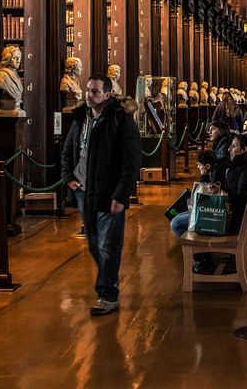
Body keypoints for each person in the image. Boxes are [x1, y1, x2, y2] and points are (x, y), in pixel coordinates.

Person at [61, 75, 142, 317]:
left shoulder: (120, 121)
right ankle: (109, 281)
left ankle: (107, 295)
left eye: (94, 91)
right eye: (87, 90)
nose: (88, 95)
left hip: (110, 193)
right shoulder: (80, 119)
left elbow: (132, 161)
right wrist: (69, 178)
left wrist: (121, 194)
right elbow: (67, 151)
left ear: (107, 95)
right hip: (84, 192)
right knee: (94, 244)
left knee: (109, 246)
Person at [223, 133, 247, 232]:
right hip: (229, 211)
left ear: (244, 150)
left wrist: (221, 190)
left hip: (235, 218)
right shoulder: (238, 164)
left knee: (178, 223)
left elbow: (241, 199)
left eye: (234, 146)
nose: (229, 149)